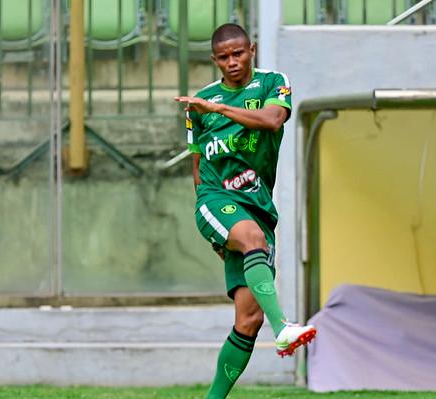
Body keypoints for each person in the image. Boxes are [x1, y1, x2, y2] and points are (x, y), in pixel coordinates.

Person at [175, 23, 316, 399]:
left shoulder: (272, 83)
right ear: (214, 59)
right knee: (250, 239)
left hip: (257, 206)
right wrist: (214, 225)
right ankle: (283, 327)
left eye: (238, 53)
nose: (232, 62)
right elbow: (196, 164)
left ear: (251, 49)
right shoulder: (200, 103)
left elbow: (272, 120)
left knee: (248, 319)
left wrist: (220, 108)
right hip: (215, 200)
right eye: (223, 57)